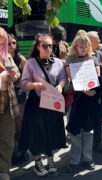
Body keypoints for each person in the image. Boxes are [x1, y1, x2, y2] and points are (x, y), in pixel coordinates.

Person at [19, 33, 67, 176]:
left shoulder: (58, 62)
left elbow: (63, 78)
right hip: (36, 103)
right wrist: (35, 85)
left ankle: (51, 159)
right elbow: (23, 84)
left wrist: (60, 86)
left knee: (52, 131)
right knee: (37, 133)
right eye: (44, 46)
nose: (48, 48)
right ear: (38, 47)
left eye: (50, 46)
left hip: (53, 101)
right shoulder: (31, 63)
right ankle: (38, 161)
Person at [65, 32, 102, 172]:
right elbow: (71, 79)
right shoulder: (69, 59)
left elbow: (98, 78)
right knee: (75, 132)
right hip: (77, 100)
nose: (83, 48)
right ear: (75, 46)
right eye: (81, 46)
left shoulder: (93, 59)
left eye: (86, 46)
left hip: (90, 99)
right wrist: (83, 89)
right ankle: (74, 161)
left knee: (88, 131)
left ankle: (88, 158)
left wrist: (91, 91)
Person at [0, 27, 21, 180]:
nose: (1, 46)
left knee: (7, 138)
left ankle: (3, 170)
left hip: (9, 103)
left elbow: (17, 74)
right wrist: (4, 75)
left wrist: (13, 76)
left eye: (3, 43)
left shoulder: (7, 57)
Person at [8, 33, 28, 165]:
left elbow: (25, 79)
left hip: (18, 95)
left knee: (18, 125)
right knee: (8, 127)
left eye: (13, 43)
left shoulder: (21, 59)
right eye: (8, 43)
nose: (11, 46)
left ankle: (20, 151)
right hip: (5, 95)